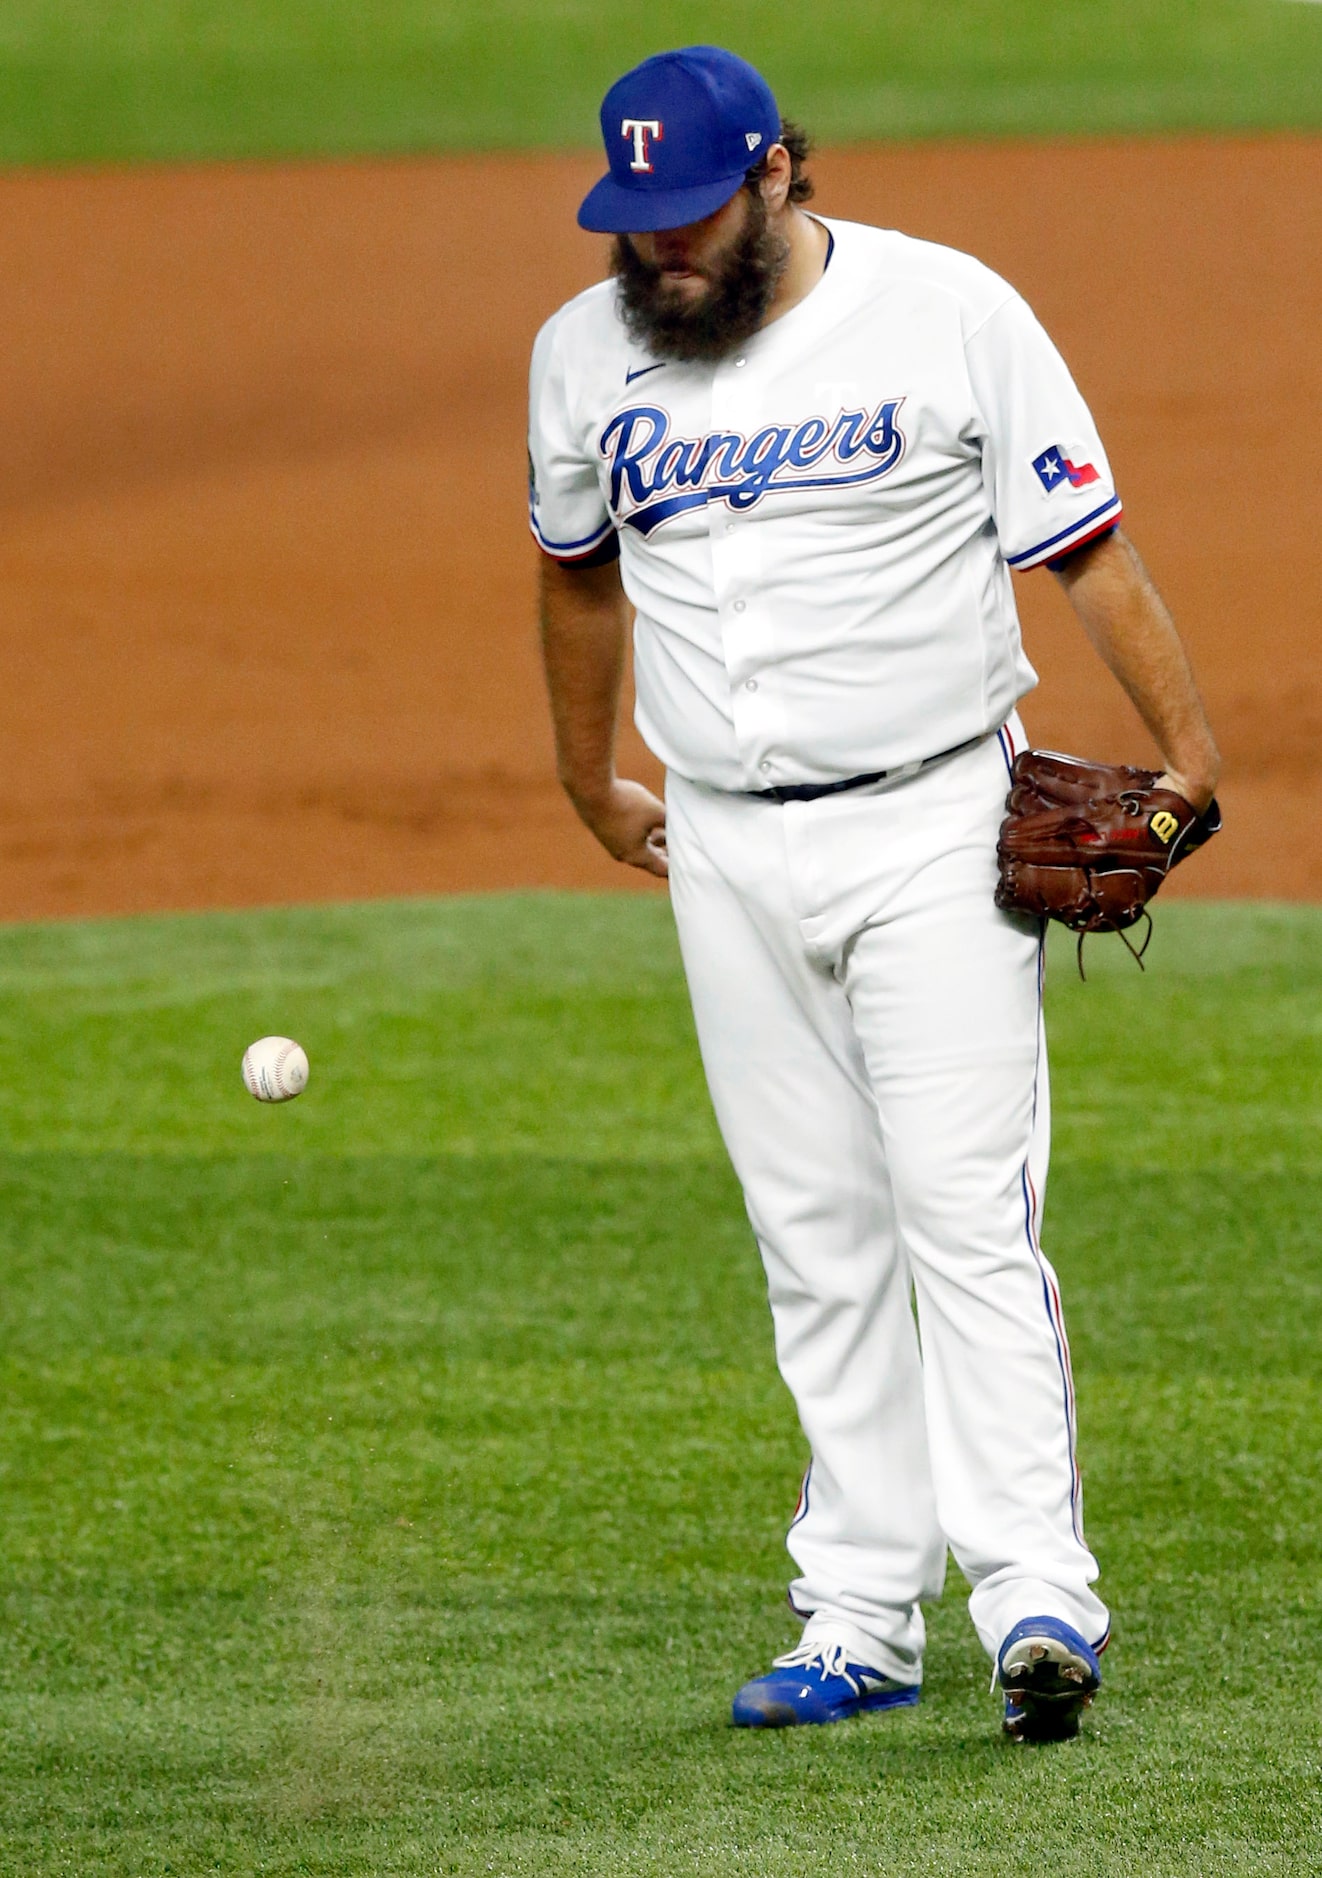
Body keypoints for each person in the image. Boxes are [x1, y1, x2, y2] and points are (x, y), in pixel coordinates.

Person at [527, 45, 1220, 1743]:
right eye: (636, 228)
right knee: (812, 1236)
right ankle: (857, 1616)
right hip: (723, 846)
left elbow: (1085, 546)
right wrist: (585, 778)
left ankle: (1035, 1598)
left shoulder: (949, 311)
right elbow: (576, 582)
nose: (660, 255)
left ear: (775, 177)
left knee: (964, 1216)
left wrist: (1186, 753)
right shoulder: (576, 355)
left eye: (689, 219)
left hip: (932, 822)